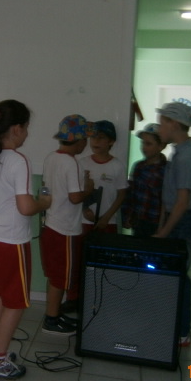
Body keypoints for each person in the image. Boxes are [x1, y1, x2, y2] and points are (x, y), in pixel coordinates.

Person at [0, 99, 51, 380]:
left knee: (0, 296)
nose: (27, 133)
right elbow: (26, 207)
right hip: (10, 242)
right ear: (16, 129)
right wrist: (44, 203)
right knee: (15, 302)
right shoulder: (18, 160)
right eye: (26, 128)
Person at [59, 120, 128, 313]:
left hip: (107, 223)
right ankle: (73, 298)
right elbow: (76, 192)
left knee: (104, 262)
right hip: (82, 222)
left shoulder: (117, 166)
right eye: (93, 137)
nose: (95, 141)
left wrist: (106, 217)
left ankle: (102, 299)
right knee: (78, 262)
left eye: (101, 138)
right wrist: (84, 209)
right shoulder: (82, 163)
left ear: (111, 141)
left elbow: (122, 195)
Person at [154, 102, 191, 347]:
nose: (159, 129)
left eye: (162, 123)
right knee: (173, 274)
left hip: (184, 222)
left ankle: (182, 331)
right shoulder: (179, 152)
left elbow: (182, 202)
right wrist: (162, 225)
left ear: (174, 124)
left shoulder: (186, 157)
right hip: (177, 219)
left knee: (179, 276)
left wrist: (164, 233)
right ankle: (172, 324)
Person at [40, 114, 95, 335]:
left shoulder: (51, 157)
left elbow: (47, 189)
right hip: (65, 230)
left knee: (56, 274)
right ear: (80, 141)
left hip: (51, 224)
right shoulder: (72, 163)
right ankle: (51, 319)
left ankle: (54, 314)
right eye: (85, 140)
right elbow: (74, 197)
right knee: (61, 277)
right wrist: (89, 188)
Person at [122, 123, 167, 238]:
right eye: (142, 143)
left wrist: (162, 227)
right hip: (138, 221)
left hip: (155, 223)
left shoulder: (167, 171)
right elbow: (130, 193)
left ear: (161, 146)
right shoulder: (138, 166)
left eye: (149, 144)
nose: (143, 147)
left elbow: (167, 202)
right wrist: (127, 215)